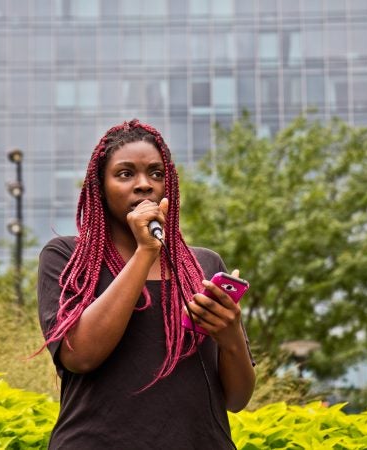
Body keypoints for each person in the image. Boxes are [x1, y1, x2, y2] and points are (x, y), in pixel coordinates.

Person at [37, 119, 255, 449]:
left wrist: (230, 337)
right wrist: (145, 252)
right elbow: (79, 356)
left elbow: (237, 398)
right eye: (125, 174)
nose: (144, 185)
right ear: (100, 186)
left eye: (156, 173)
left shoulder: (204, 266)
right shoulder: (67, 257)